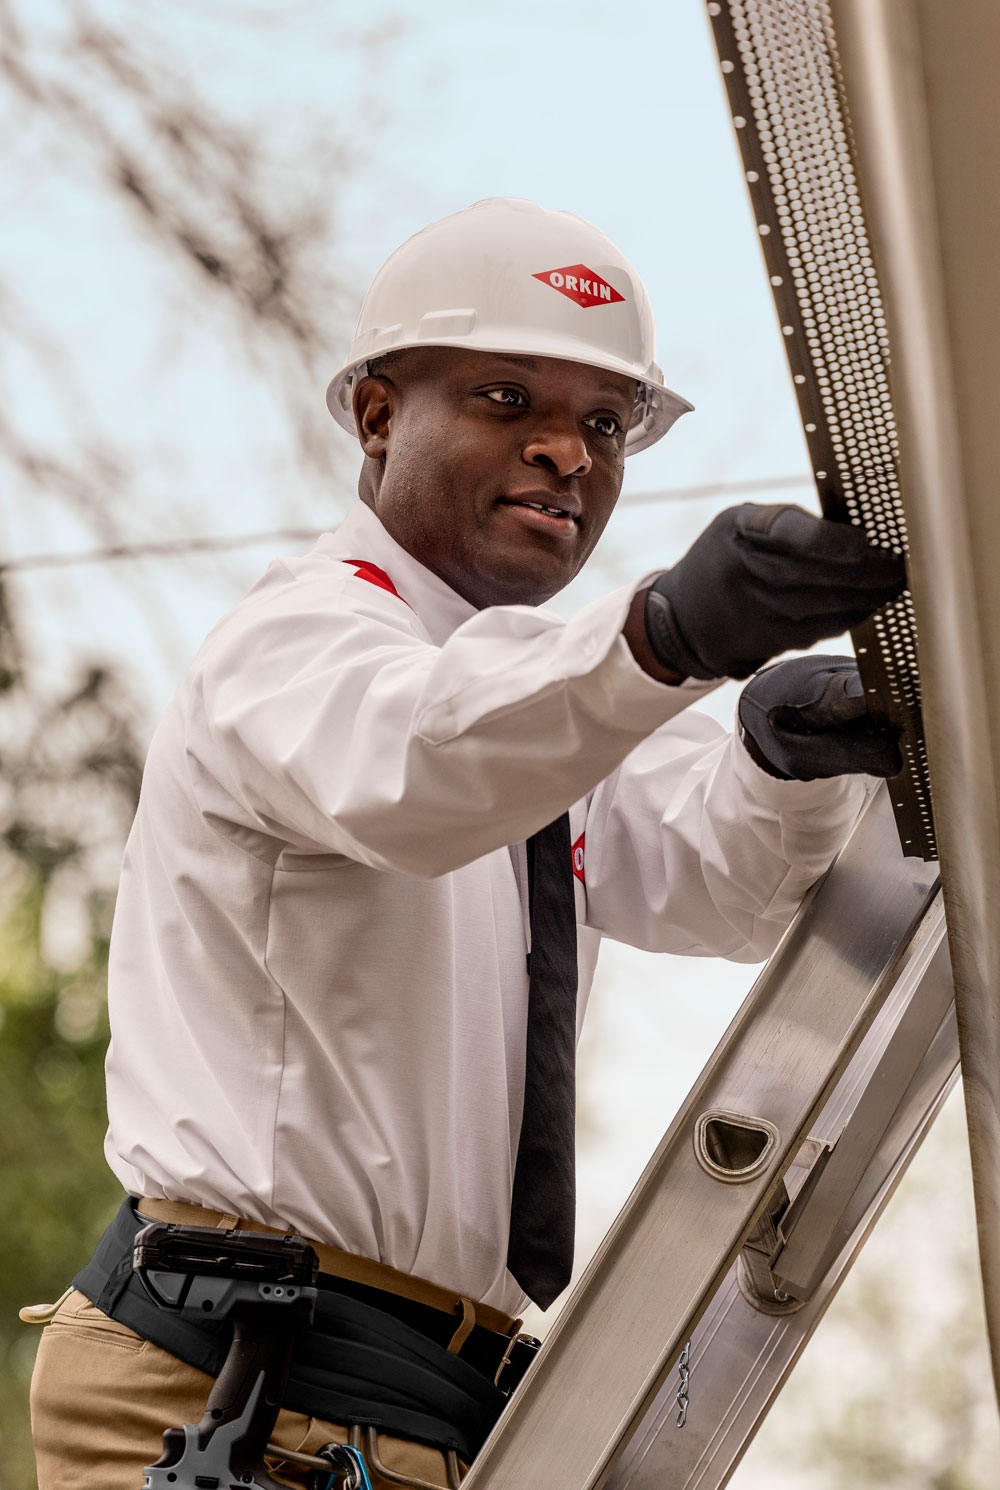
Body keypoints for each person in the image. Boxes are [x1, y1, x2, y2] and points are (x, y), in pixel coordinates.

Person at [28, 198, 905, 1490]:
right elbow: (419, 769)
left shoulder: (531, 698)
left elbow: (715, 892)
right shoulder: (304, 641)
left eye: (605, 424)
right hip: (238, 1387)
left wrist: (776, 762)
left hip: (412, 1394)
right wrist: (663, 633)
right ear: (379, 415)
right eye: (508, 398)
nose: (566, 451)